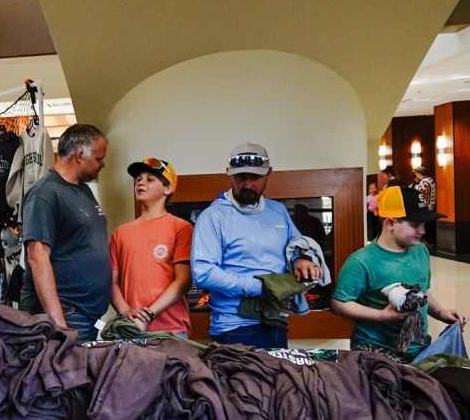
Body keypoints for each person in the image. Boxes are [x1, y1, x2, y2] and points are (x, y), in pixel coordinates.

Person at [191, 143, 321, 348]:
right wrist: (262, 287)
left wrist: (301, 259)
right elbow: (203, 273)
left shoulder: (278, 210)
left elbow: (296, 244)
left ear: (268, 173)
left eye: (255, 177)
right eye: (240, 177)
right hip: (234, 327)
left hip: (276, 320)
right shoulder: (213, 217)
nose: (248, 184)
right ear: (229, 173)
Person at [332, 185, 466, 361]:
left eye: (424, 224)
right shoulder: (361, 261)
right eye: (415, 225)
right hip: (375, 351)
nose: (422, 231)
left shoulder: (421, 251)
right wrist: (382, 315)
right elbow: (339, 303)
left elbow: (422, 290)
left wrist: (441, 312)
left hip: (418, 349)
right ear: (390, 223)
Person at [20, 123, 110, 341]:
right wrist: (59, 325)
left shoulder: (83, 190)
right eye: (99, 158)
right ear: (80, 156)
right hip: (67, 314)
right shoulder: (44, 194)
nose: (103, 164)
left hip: (88, 314)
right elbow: (37, 258)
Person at [109, 157, 193, 336]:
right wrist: (127, 312)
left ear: (168, 188)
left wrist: (147, 315)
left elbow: (184, 281)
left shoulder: (181, 228)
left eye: (150, 179)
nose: (140, 183)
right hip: (130, 329)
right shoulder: (120, 233)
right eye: (138, 179)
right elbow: (111, 281)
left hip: (171, 330)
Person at [413, 166, 437, 246]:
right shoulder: (430, 180)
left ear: (419, 173)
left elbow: (422, 195)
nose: (415, 175)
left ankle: (427, 240)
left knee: (426, 225)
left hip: (426, 206)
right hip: (431, 205)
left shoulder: (424, 182)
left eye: (416, 173)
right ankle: (430, 240)